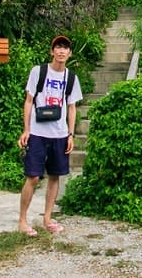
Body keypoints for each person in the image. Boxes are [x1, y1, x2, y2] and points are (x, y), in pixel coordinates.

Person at [17, 35, 82, 236]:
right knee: (33, 176)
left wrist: (70, 134)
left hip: (60, 134)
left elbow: (72, 108)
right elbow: (29, 101)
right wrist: (26, 129)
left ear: (70, 54)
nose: (61, 51)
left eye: (65, 48)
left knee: (55, 176)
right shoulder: (39, 72)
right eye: (58, 47)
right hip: (37, 132)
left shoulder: (71, 78)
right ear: (52, 51)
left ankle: (47, 218)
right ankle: (22, 220)